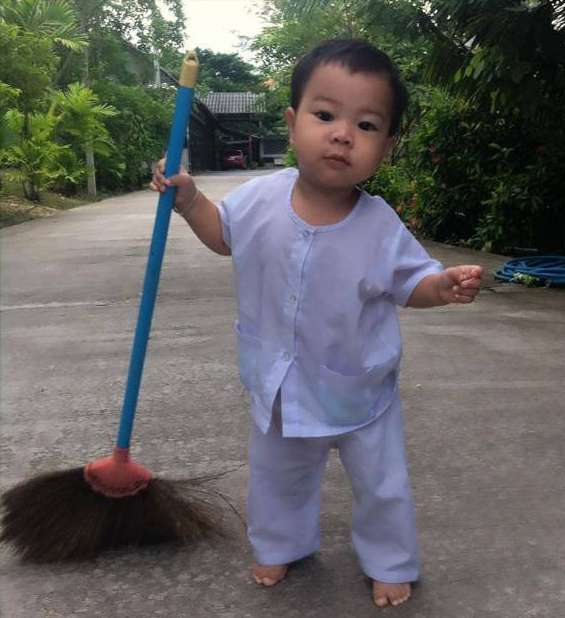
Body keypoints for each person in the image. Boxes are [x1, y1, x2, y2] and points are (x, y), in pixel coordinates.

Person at [151, 38, 483, 608]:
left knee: (382, 483)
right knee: (277, 477)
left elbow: (412, 283)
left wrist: (442, 287)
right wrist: (188, 201)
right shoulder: (259, 199)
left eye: (367, 125)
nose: (342, 134)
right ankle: (280, 544)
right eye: (325, 115)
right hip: (280, 386)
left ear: (387, 147)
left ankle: (390, 560)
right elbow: (223, 236)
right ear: (292, 123)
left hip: (361, 390)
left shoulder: (379, 225)